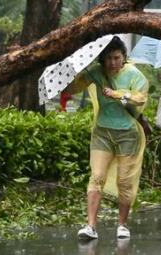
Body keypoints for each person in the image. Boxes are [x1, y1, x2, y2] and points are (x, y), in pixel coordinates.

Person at [64, 36, 149, 241]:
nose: (113, 62)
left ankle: (122, 224)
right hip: (102, 132)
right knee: (97, 177)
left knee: (125, 181)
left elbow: (141, 98)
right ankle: (91, 225)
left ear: (123, 57)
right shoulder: (95, 73)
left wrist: (119, 94)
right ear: (102, 59)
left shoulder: (133, 74)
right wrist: (76, 73)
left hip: (128, 134)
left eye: (117, 57)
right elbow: (70, 89)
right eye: (109, 58)